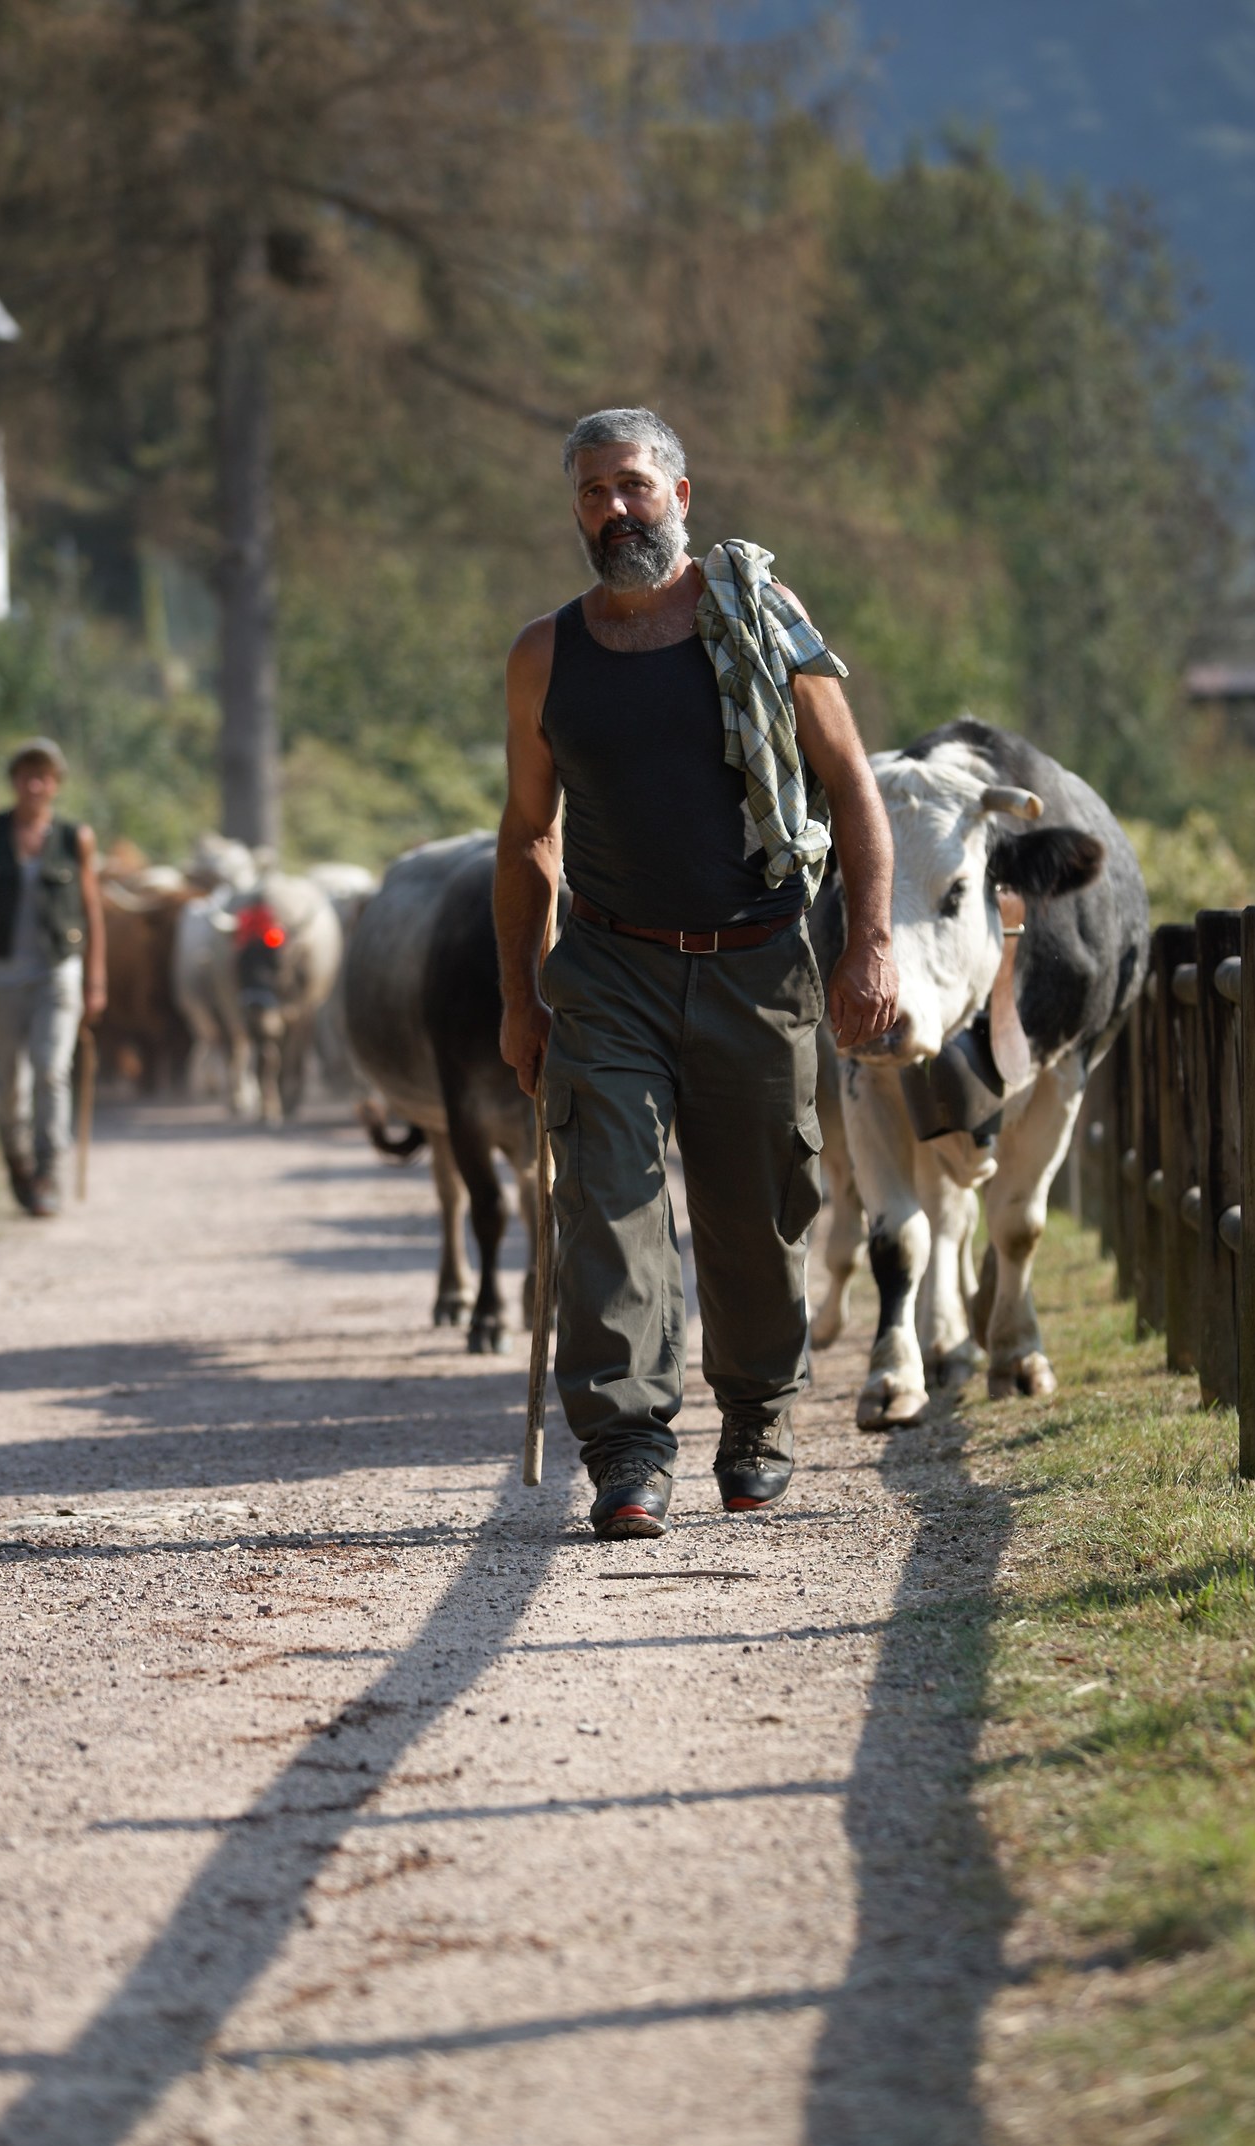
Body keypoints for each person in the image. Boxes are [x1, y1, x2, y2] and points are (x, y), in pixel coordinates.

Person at [498, 406, 899, 1539]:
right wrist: (519, 998)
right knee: (609, 1204)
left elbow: (856, 792)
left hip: (757, 961)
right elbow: (528, 835)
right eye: (590, 492)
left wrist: (865, 943)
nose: (612, 510)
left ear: (681, 493)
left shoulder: (764, 625)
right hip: (610, 969)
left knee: (756, 1213)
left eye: (631, 485)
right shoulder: (546, 656)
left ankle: (759, 1419)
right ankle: (627, 1449)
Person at [0, 738, 106, 1216]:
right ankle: (17, 1162)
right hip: (1, 972)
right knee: (10, 1083)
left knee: (50, 1070)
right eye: (27, 774)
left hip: (57, 970)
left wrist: (96, 978)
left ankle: (49, 1171)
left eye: (44, 775)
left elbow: (91, 912)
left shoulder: (74, 838)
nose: (35, 783)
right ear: (14, 781)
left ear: (56, 785)